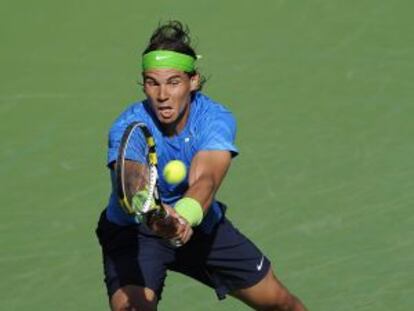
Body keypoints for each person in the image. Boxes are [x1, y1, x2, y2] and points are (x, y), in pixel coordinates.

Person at [96, 20, 308, 311]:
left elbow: (206, 178)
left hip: (201, 226)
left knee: (282, 305)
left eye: (173, 82)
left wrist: (181, 217)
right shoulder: (128, 125)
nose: (162, 95)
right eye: (152, 82)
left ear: (193, 81)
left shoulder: (214, 119)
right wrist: (152, 211)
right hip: (134, 234)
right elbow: (132, 178)